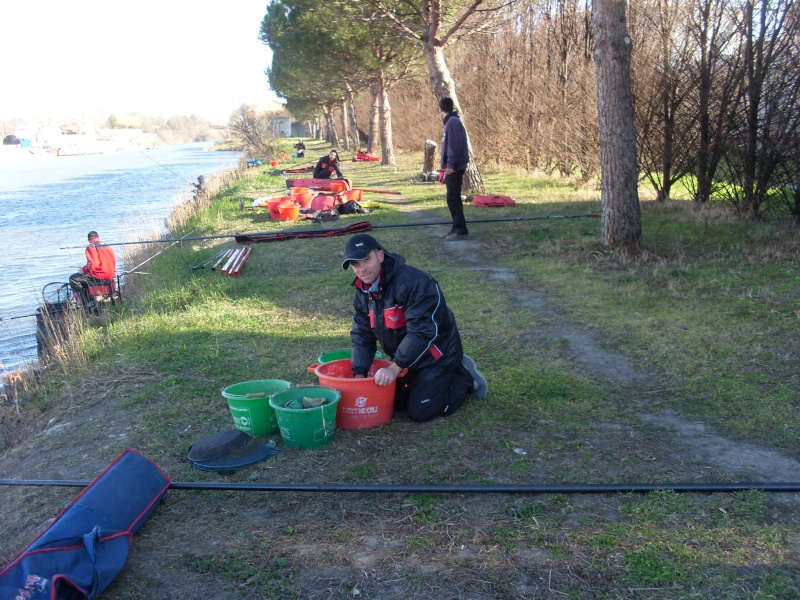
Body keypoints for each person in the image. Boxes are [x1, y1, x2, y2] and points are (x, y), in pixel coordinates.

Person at [342, 234, 487, 422]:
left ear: (380, 255)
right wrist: (359, 374)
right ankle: (417, 381)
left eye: (366, 260)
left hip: (436, 355)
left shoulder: (415, 282)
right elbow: (362, 335)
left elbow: (422, 333)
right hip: (406, 358)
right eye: (355, 264)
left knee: (421, 412)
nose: (362, 269)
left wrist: (394, 369)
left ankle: (464, 375)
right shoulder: (363, 292)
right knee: (394, 404)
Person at [439, 97, 470, 241]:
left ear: (440, 109)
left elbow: (454, 147)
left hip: (455, 167)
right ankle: (456, 227)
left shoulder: (452, 123)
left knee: (453, 198)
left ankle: (460, 229)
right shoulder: (451, 122)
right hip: (453, 167)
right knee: (452, 198)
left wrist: (450, 165)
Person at [69, 231, 117, 308]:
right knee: (83, 278)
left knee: (73, 279)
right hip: (111, 274)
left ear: (89, 240)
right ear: (99, 237)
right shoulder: (108, 246)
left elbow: (93, 265)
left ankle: (84, 304)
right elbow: (114, 261)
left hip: (100, 275)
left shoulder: (90, 247)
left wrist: (83, 270)